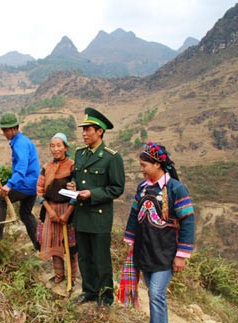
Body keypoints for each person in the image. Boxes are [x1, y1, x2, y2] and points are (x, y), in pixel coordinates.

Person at [124, 142, 195, 323]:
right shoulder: (142, 188)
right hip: (144, 249)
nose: (142, 170)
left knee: (156, 293)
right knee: (155, 293)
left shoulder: (176, 189)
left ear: (157, 164)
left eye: (144, 166)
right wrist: (131, 241)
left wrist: (181, 255)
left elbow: (187, 221)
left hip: (165, 251)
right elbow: (134, 215)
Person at [69, 107, 125, 308]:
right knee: (84, 257)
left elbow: (117, 188)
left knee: (101, 259)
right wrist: (73, 185)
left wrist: (93, 194)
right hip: (82, 214)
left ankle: (106, 297)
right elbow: (78, 177)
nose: (84, 133)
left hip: (99, 217)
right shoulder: (79, 154)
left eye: (88, 129)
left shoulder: (111, 157)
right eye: (83, 129)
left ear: (100, 131)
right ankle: (89, 291)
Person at [0, 113, 41, 250]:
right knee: (25, 214)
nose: (4, 133)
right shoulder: (21, 141)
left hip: (25, 184)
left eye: (6, 130)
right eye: (3, 130)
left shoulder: (20, 144)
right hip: (32, 185)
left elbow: (22, 167)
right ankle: (40, 244)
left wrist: (9, 185)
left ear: (15, 128)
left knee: (0, 200)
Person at [36, 133, 78, 286]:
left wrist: (67, 213)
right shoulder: (46, 167)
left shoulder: (73, 166)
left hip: (69, 210)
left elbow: (76, 191)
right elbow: (40, 190)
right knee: (54, 245)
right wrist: (50, 211)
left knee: (71, 247)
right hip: (51, 211)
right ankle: (59, 275)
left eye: (59, 145)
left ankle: (72, 279)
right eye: (52, 146)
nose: (55, 149)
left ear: (65, 147)